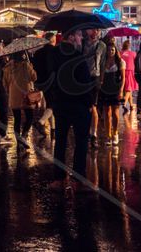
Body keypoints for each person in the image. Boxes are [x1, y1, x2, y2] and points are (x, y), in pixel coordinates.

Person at [49, 29, 94, 192]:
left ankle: (58, 178)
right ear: (71, 37)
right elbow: (85, 83)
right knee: (81, 141)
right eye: (79, 35)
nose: (81, 38)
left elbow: (47, 79)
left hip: (60, 104)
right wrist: (89, 103)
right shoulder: (78, 58)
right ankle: (78, 179)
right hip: (78, 105)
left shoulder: (53, 56)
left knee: (60, 141)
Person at [3, 51, 37, 152]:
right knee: (30, 116)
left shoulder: (7, 68)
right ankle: (24, 136)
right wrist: (31, 66)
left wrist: (9, 91)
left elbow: (5, 83)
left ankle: (18, 142)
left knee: (16, 120)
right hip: (25, 95)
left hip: (13, 96)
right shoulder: (26, 65)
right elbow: (34, 77)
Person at [83, 28, 106, 148]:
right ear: (87, 31)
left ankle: (94, 135)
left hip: (95, 79)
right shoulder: (82, 43)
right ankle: (85, 132)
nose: (95, 32)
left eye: (97, 30)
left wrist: (101, 80)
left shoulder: (102, 45)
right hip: (83, 79)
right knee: (85, 107)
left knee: (93, 107)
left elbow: (103, 63)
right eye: (92, 30)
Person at [99, 42, 125, 146]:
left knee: (115, 112)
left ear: (115, 51)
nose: (110, 52)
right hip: (105, 89)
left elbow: (123, 78)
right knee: (107, 113)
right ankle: (108, 135)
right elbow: (101, 76)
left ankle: (115, 133)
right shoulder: (103, 61)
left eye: (112, 50)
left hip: (115, 89)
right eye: (109, 50)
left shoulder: (120, 62)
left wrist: (121, 90)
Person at [31, 32, 57, 137]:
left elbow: (34, 67)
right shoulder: (55, 51)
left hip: (41, 82)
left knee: (49, 104)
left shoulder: (38, 52)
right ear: (52, 41)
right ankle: (41, 122)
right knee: (53, 105)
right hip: (52, 81)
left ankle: (53, 130)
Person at [120, 40, 138, 115]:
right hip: (131, 71)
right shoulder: (133, 53)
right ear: (129, 46)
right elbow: (136, 62)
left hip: (122, 71)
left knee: (128, 88)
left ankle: (131, 105)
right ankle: (124, 103)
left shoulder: (120, 53)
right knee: (129, 89)